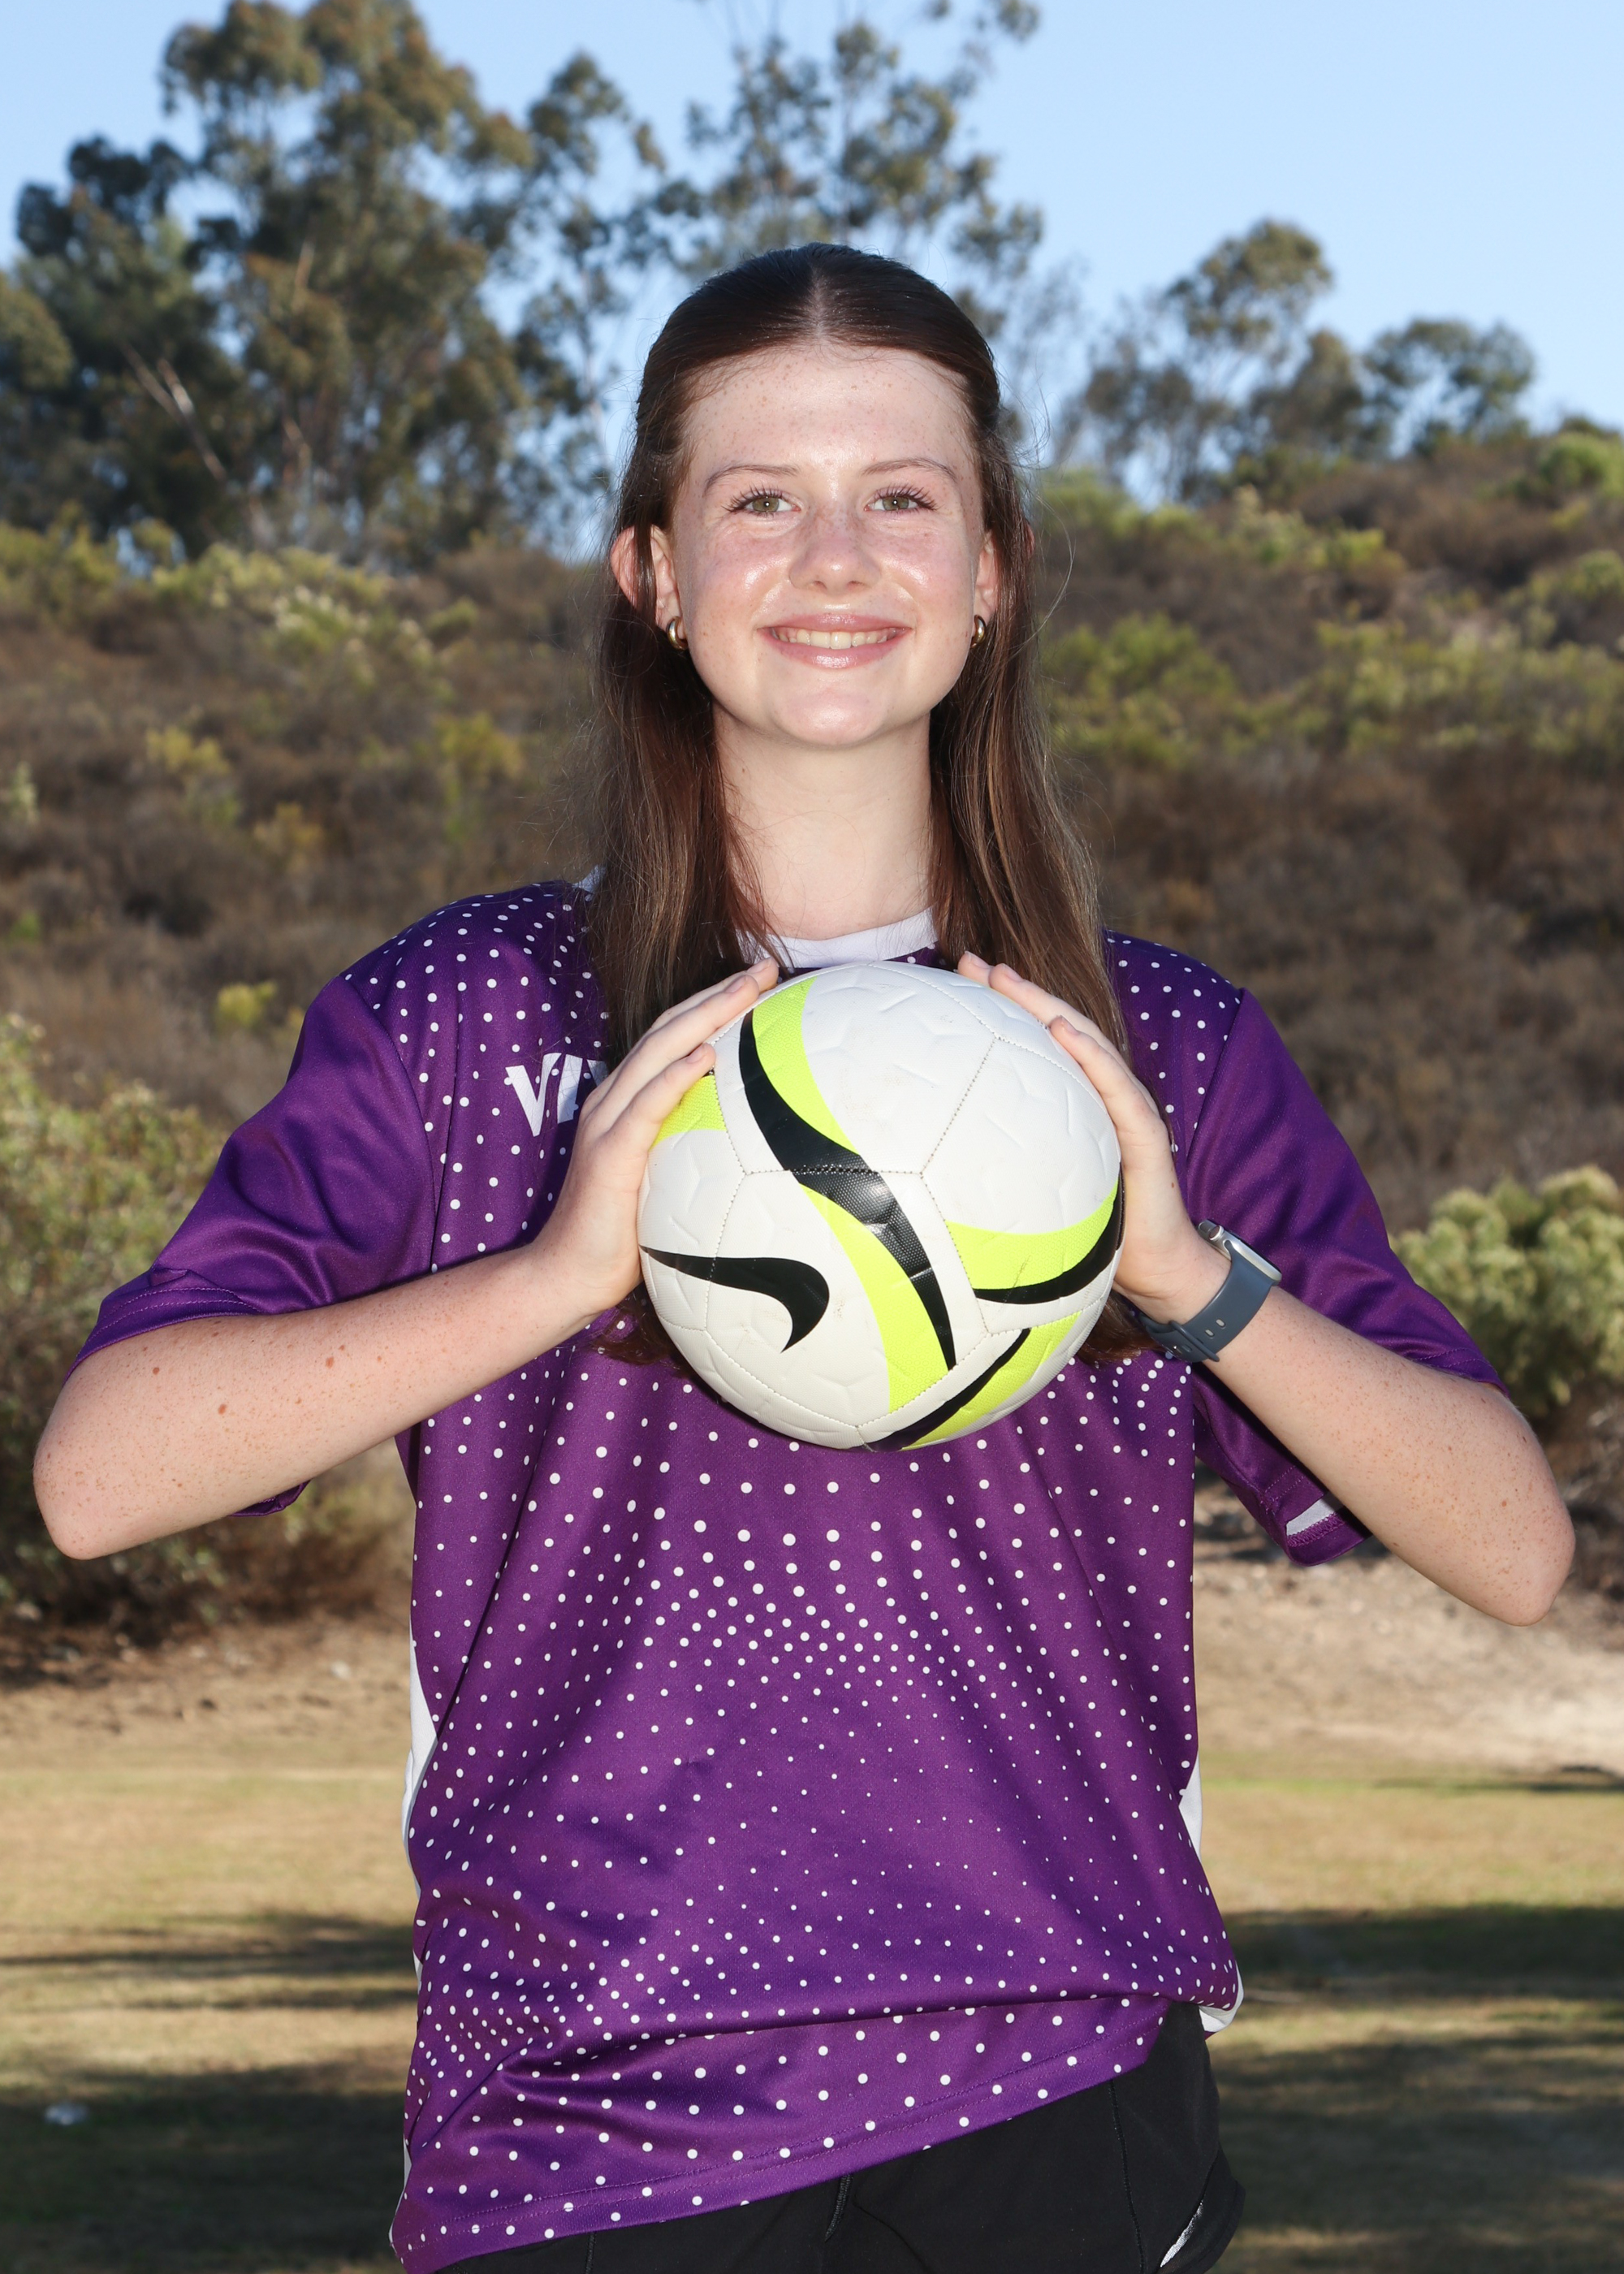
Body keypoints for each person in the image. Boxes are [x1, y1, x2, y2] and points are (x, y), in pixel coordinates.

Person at [36, 245, 1572, 2274]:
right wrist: (552, 1272)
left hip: (1056, 2079)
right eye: (759, 496)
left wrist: (1184, 1273)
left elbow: (1511, 1546)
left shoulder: (1159, 1048)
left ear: (993, 566)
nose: (833, 557)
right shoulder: (466, 1014)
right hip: (588, 2106)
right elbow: (101, 1474)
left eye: (900, 495)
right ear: (653, 571)